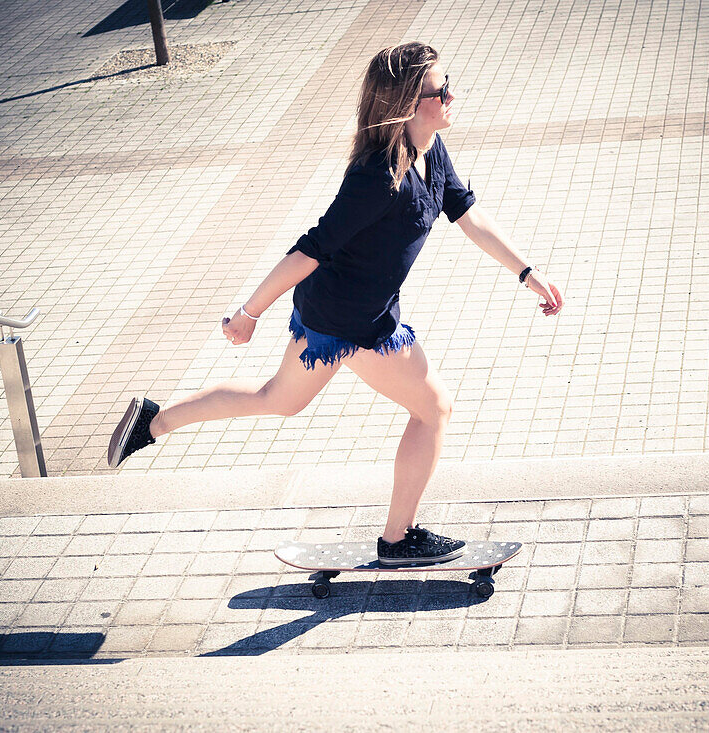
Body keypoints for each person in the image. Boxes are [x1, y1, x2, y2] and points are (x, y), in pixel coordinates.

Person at [108, 42, 564, 566]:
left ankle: (154, 422)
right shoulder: (376, 177)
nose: (452, 95)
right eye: (443, 90)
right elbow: (312, 248)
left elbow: (467, 215)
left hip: (354, 313)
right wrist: (248, 314)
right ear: (411, 102)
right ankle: (398, 539)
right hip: (345, 318)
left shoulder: (430, 150)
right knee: (432, 408)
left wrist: (528, 273)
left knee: (279, 398)